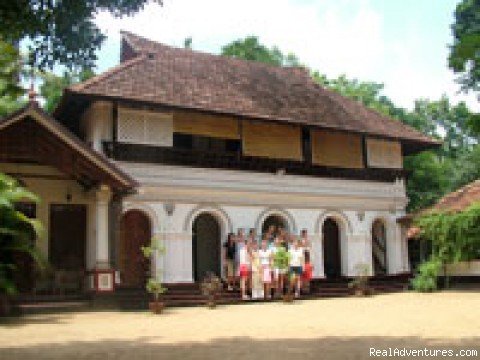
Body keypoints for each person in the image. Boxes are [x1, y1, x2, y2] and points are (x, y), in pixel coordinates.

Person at [300, 229, 313, 294]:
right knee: (302, 276)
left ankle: (307, 290)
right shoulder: (300, 242)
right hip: (302, 261)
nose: (304, 235)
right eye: (303, 234)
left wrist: (311, 263)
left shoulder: (309, 242)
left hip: (307, 261)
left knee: (308, 277)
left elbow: (310, 252)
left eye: (305, 234)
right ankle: (302, 289)